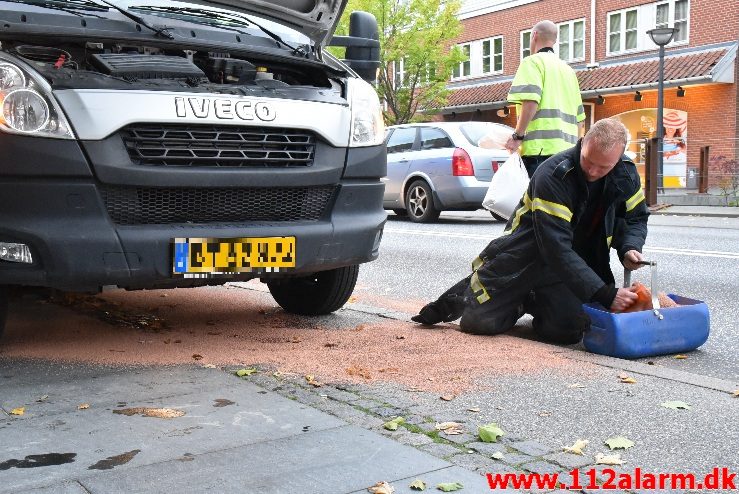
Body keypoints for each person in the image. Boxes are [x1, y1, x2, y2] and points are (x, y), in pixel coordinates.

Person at [412, 119, 650, 344]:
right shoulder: (554, 174)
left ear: (619, 158)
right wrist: (605, 294)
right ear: (583, 140)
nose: (594, 171)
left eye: (604, 166)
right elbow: (555, 247)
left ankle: (533, 298)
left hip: (571, 267)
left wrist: (630, 246)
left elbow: (635, 217)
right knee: (479, 323)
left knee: (568, 330)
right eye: (589, 161)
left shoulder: (626, 174)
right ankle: (494, 293)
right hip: (525, 258)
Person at [505, 20, 586, 178]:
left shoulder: (532, 62)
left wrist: (517, 136)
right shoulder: (569, 71)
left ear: (534, 36)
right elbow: (580, 121)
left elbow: (530, 102)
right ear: (554, 40)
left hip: (539, 152)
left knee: (537, 201)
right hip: (568, 155)